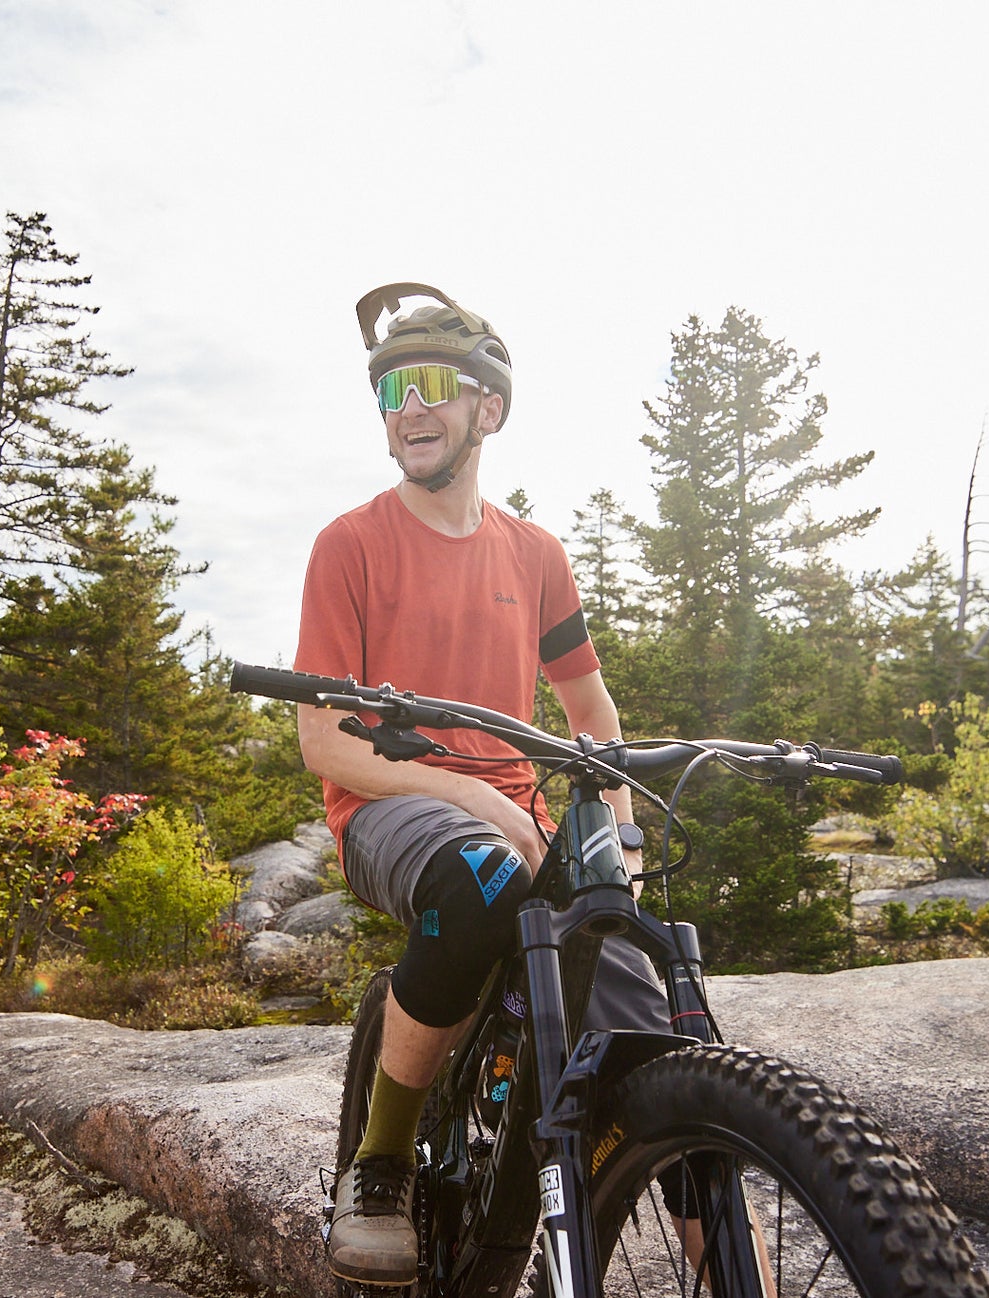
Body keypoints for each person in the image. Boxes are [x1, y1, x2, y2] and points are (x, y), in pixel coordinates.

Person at [293, 283, 672, 1286]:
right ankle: (379, 1161)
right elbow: (326, 745)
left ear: (486, 408)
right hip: (390, 807)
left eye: (427, 385)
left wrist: (620, 840)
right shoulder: (349, 544)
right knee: (479, 881)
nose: (405, 409)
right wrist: (476, 798)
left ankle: (718, 1221)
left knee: (646, 1010)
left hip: (518, 810)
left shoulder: (535, 553)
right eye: (388, 392)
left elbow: (591, 715)